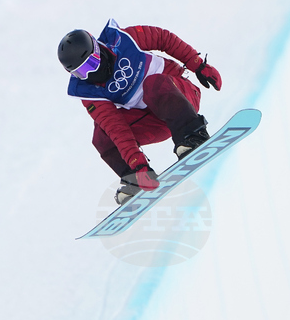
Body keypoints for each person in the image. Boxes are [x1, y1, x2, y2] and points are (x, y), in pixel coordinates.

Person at [57, 19, 222, 205]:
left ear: (97, 48)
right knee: (102, 134)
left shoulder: (123, 40)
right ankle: (135, 178)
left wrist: (198, 65)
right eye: (82, 72)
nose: (91, 73)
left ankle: (193, 133)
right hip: (154, 120)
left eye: (92, 63)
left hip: (180, 98)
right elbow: (115, 127)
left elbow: (164, 39)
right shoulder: (88, 91)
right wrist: (138, 164)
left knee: (151, 84)